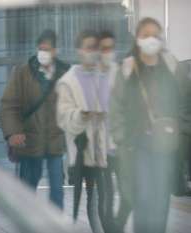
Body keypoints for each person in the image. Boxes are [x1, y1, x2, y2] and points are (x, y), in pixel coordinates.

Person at [110, 17, 191, 233]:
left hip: (165, 145)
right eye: (146, 34)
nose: (151, 39)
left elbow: (186, 100)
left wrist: (183, 135)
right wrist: (120, 138)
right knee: (143, 197)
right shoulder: (128, 67)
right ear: (137, 38)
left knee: (161, 200)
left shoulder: (171, 65)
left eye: (156, 34)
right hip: (137, 144)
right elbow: (116, 106)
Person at [0, 29, 71, 209]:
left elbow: (71, 107)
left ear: (54, 51)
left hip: (54, 141)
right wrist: (13, 131)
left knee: (57, 190)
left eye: (46, 49)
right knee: (28, 188)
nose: (42, 53)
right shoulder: (22, 72)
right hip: (29, 141)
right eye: (40, 48)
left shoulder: (65, 74)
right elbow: (9, 104)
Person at [55, 29, 109, 232]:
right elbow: (63, 117)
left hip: (106, 148)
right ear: (80, 50)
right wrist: (81, 115)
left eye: (96, 47)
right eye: (89, 48)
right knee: (92, 199)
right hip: (83, 150)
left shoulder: (105, 78)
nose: (94, 52)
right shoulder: (68, 82)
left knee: (104, 197)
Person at [95, 29, 120, 233]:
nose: (108, 52)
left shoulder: (121, 75)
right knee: (106, 196)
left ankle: (115, 228)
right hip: (98, 147)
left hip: (120, 145)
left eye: (111, 48)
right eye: (104, 48)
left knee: (129, 195)